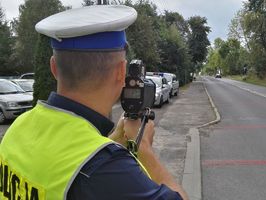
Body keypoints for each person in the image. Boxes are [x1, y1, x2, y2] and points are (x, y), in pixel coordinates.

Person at [0, 5, 188, 200]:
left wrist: (112, 140)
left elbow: (61, 161)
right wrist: (144, 149)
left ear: (54, 68)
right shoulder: (106, 167)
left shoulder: (17, 128)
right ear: (121, 72)